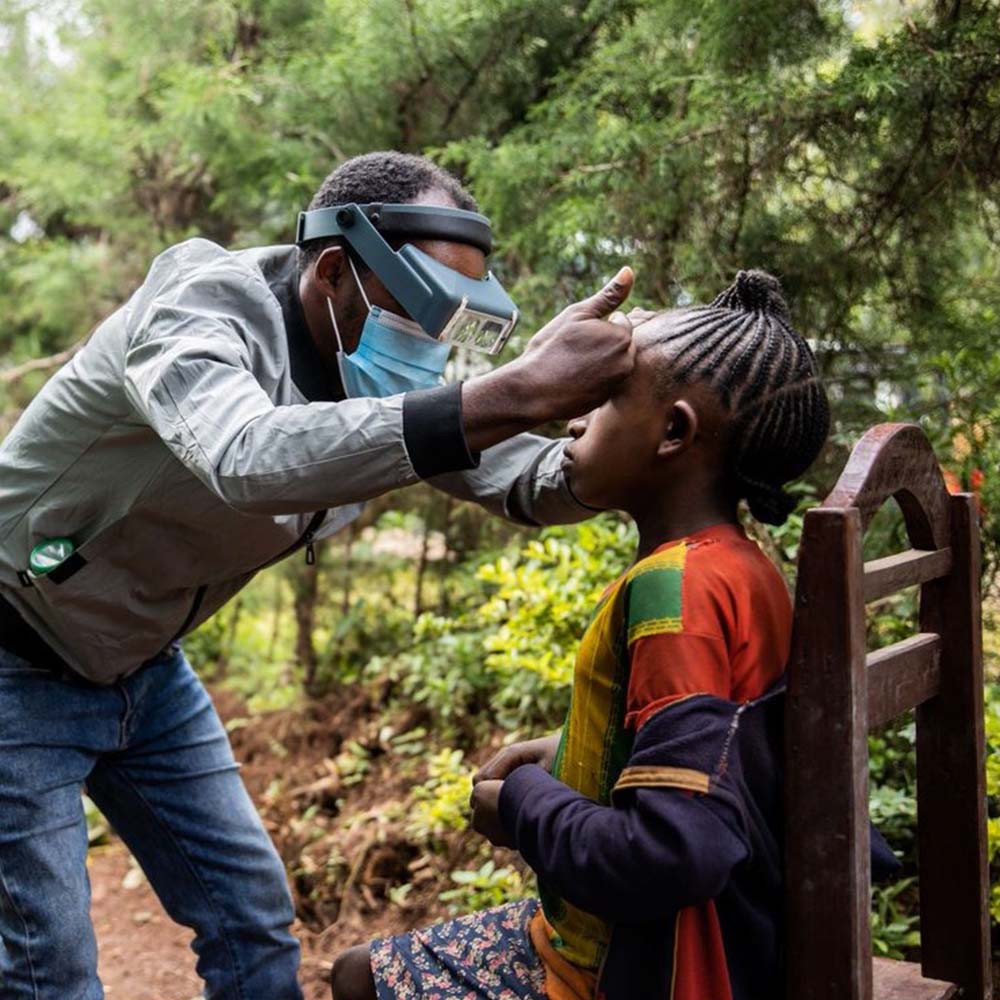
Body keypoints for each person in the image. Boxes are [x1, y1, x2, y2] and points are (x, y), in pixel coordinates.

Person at [0, 151, 636, 1000]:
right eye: (417, 315)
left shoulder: (368, 369)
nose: (429, 351)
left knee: (252, 920)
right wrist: (510, 392)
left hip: (145, 666)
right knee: (52, 972)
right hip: (16, 654)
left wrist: (622, 438)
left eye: (451, 328)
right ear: (334, 269)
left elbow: (523, 477)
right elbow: (246, 455)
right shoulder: (200, 308)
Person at [328, 270, 832, 1000]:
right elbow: (715, 760)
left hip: (640, 967)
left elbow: (671, 851)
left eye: (600, 403)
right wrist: (570, 757)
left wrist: (525, 803)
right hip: (712, 935)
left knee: (358, 981)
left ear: (674, 432)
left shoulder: (677, 591)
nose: (570, 423)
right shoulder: (741, 569)